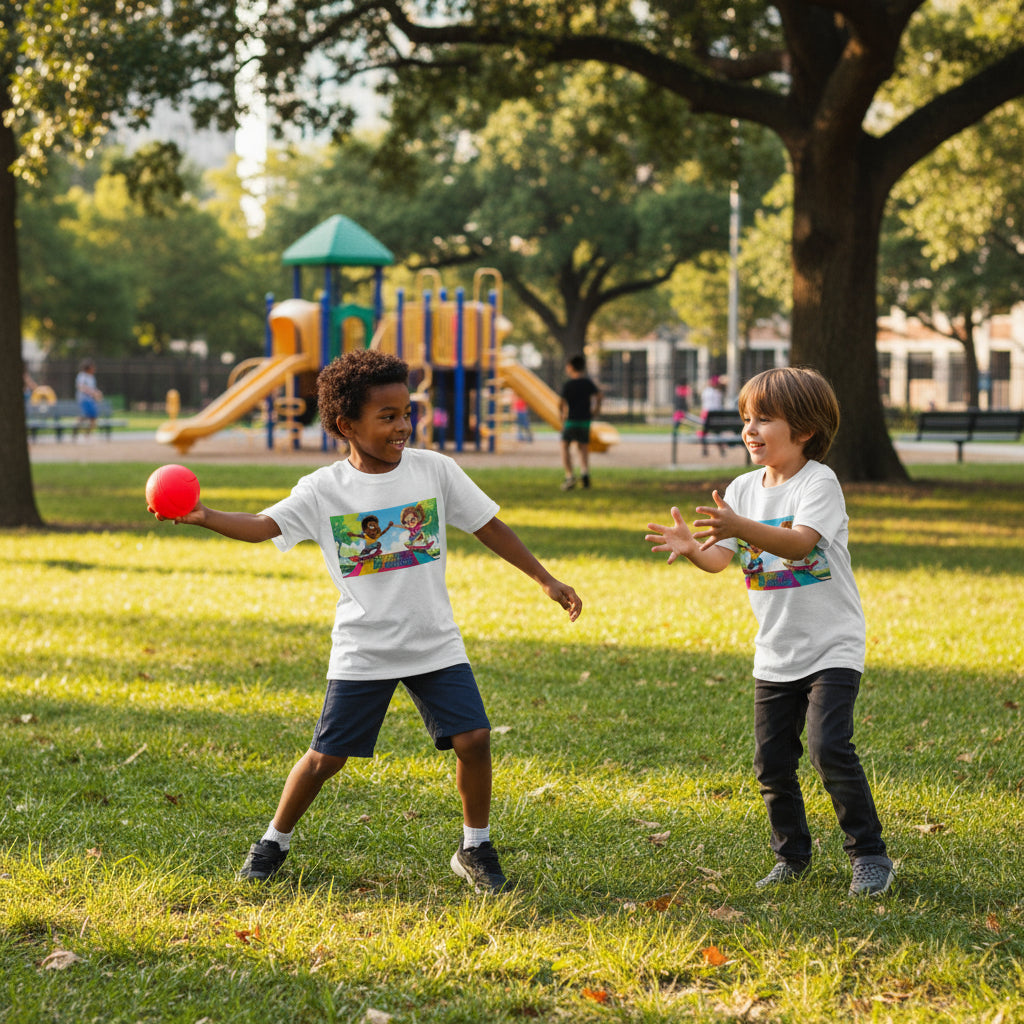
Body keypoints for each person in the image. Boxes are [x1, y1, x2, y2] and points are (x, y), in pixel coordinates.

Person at [150, 348, 582, 892]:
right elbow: (263, 525)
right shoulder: (323, 489)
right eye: (387, 417)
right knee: (326, 758)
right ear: (344, 425)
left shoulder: (434, 470)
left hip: (433, 640)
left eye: (407, 413)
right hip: (365, 646)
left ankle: (475, 847)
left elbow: (489, 526)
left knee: (473, 738)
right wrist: (206, 517)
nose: (403, 426)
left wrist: (544, 578)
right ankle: (273, 841)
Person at [645, 366, 894, 898]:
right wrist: (694, 550)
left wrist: (739, 528)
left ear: (803, 430)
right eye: (746, 418)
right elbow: (720, 559)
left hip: (832, 645)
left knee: (830, 748)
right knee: (772, 762)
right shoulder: (741, 488)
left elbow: (801, 544)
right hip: (776, 652)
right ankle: (792, 856)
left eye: (765, 419)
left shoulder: (818, 482)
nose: (750, 430)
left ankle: (870, 855)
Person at [558, 354, 601, 490]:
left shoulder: (568, 384)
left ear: (570, 367)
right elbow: (599, 396)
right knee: (583, 448)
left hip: (571, 421)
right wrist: (595, 410)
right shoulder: (587, 383)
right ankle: (585, 473)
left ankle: (570, 476)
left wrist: (562, 416)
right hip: (584, 421)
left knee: (565, 447)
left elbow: (560, 403)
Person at [75, 359, 103, 437]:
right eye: (92, 367)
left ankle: (87, 434)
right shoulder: (82, 375)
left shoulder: (91, 377)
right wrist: (92, 392)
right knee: (88, 416)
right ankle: (77, 429)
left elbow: (92, 388)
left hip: (91, 400)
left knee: (92, 417)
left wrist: (97, 392)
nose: (94, 369)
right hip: (84, 399)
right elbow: (81, 387)